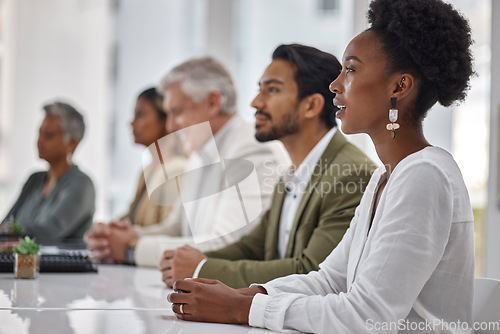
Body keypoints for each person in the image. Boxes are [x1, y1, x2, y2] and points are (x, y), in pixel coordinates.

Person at [167, 0, 476, 332]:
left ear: (399, 87)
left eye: (352, 69)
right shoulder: (383, 179)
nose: (335, 84)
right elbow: (330, 279)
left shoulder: (425, 176)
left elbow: (367, 316)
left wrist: (244, 308)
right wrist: (245, 296)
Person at [159, 44, 375, 289]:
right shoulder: (290, 174)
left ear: (311, 106)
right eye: (258, 90)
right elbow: (254, 246)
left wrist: (201, 269)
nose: (255, 102)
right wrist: (192, 259)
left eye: (272, 90)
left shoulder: (349, 174)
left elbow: (312, 271)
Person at [86, 57, 289, 266]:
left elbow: (227, 245)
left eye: (177, 112)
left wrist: (133, 249)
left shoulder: (252, 149)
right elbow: (176, 228)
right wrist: (122, 237)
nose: (171, 126)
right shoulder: (199, 154)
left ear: (212, 102)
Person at [84, 88, 186, 256]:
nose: (131, 123)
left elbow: (172, 232)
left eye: (140, 115)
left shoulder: (177, 170)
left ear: (165, 120)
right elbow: (131, 219)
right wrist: (108, 231)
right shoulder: (148, 170)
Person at [5, 102, 95, 244]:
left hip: (56, 265)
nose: (39, 141)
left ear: (72, 143)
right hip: (20, 262)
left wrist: (10, 232)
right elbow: (8, 222)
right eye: (39, 133)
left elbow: (48, 232)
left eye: (48, 135)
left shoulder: (81, 184)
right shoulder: (34, 180)